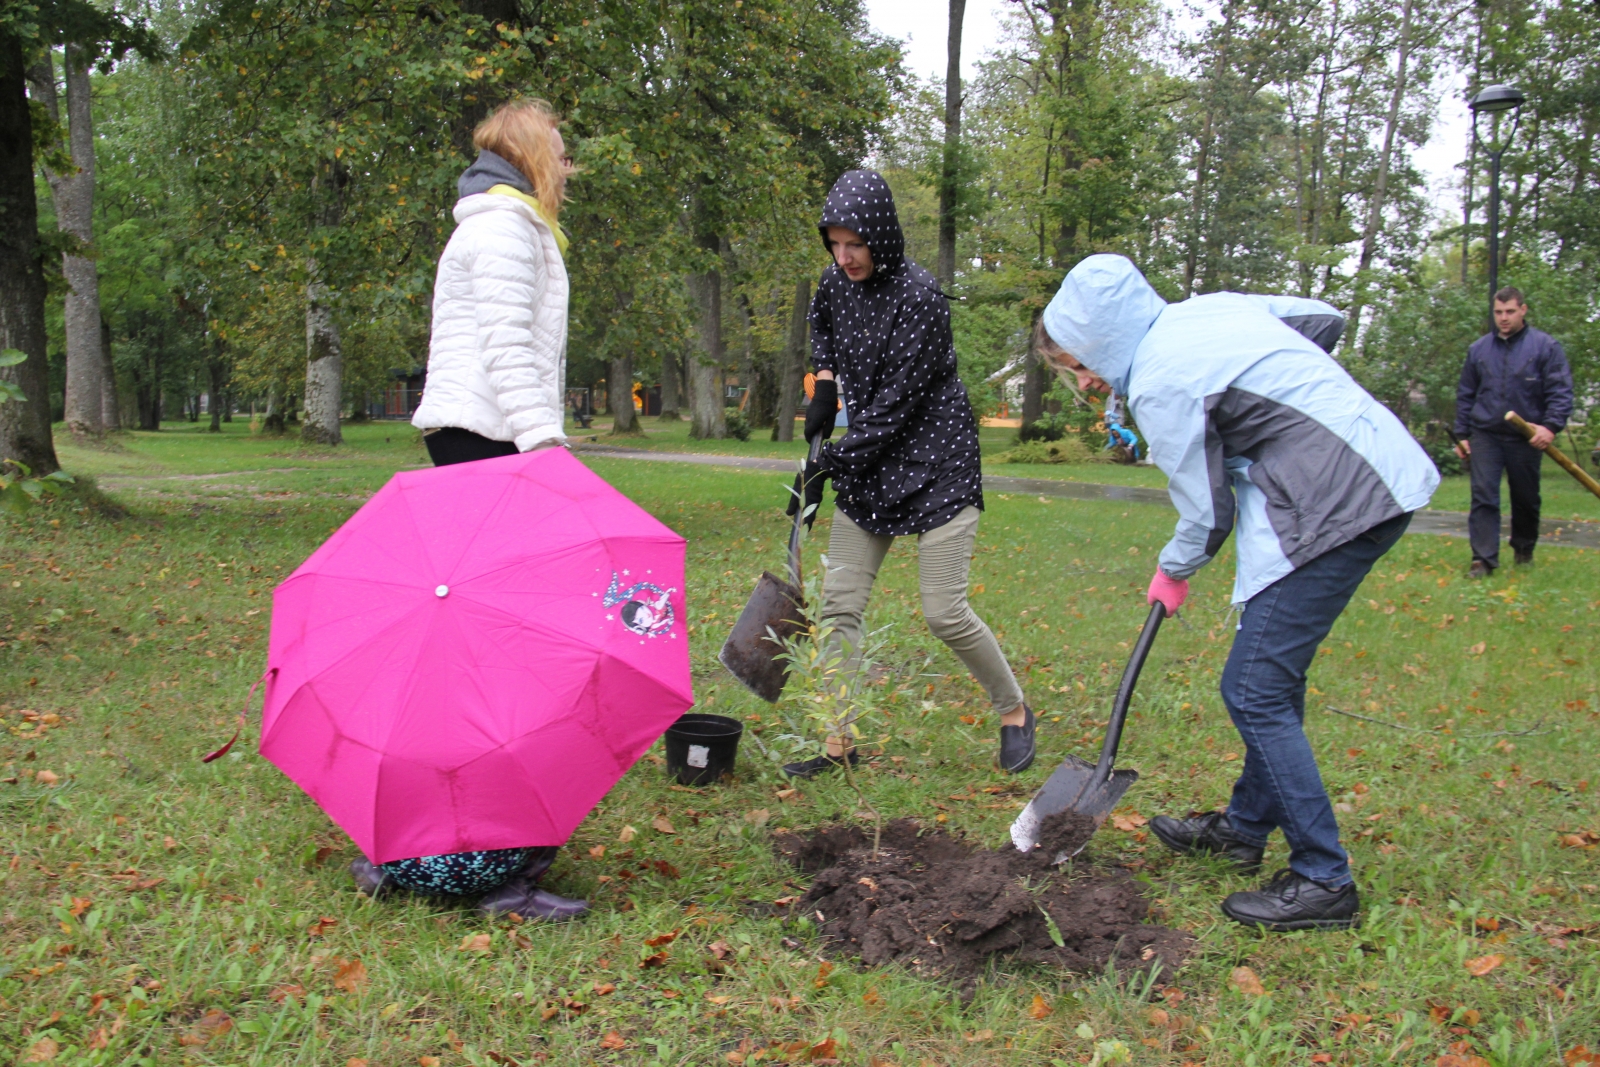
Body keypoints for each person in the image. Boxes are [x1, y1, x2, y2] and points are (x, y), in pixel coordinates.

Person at [1040, 254, 1439, 932]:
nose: (1087, 383)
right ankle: (1245, 828)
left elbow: (1206, 511)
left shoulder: (1163, 381)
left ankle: (1323, 877)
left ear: (1101, 346)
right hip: (1368, 475)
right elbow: (1324, 319)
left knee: (1254, 688)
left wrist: (1173, 569)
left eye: (1080, 368)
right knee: (1271, 679)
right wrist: (1279, 388)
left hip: (1335, 503)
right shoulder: (1210, 310)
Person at [354, 99, 586, 920]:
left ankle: (408, 844)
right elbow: (505, 345)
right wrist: (545, 446)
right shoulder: (501, 227)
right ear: (527, 153)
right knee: (500, 654)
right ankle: (494, 871)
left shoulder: (503, 223)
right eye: (557, 152)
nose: (566, 166)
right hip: (489, 439)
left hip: (477, 438)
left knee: (467, 644)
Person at [783, 169, 1038, 777]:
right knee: (839, 606)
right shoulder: (832, 285)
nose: (844, 257)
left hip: (936, 461)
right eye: (835, 244)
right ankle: (838, 744)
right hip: (871, 460)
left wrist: (825, 463)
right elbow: (821, 329)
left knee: (943, 610)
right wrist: (825, 385)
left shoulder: (919, 297)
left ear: (881, 237)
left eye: (856, 244)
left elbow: (896, 410)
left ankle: (1014, 711)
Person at [1453, 287, 1573, 577]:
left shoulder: (1546, 347)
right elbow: (1466, 394)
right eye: (1498, 312)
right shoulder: (1478, 350)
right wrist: (1461, 435)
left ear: (1523, 310)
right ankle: (1482, 560)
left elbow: (1561, 391)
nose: (1503, 318)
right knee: (1483, 496)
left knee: (1526, 498)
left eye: (1509, 311)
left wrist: (1550, 427)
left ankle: (1523, 550)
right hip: (1486, 435)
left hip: (1527, 436)